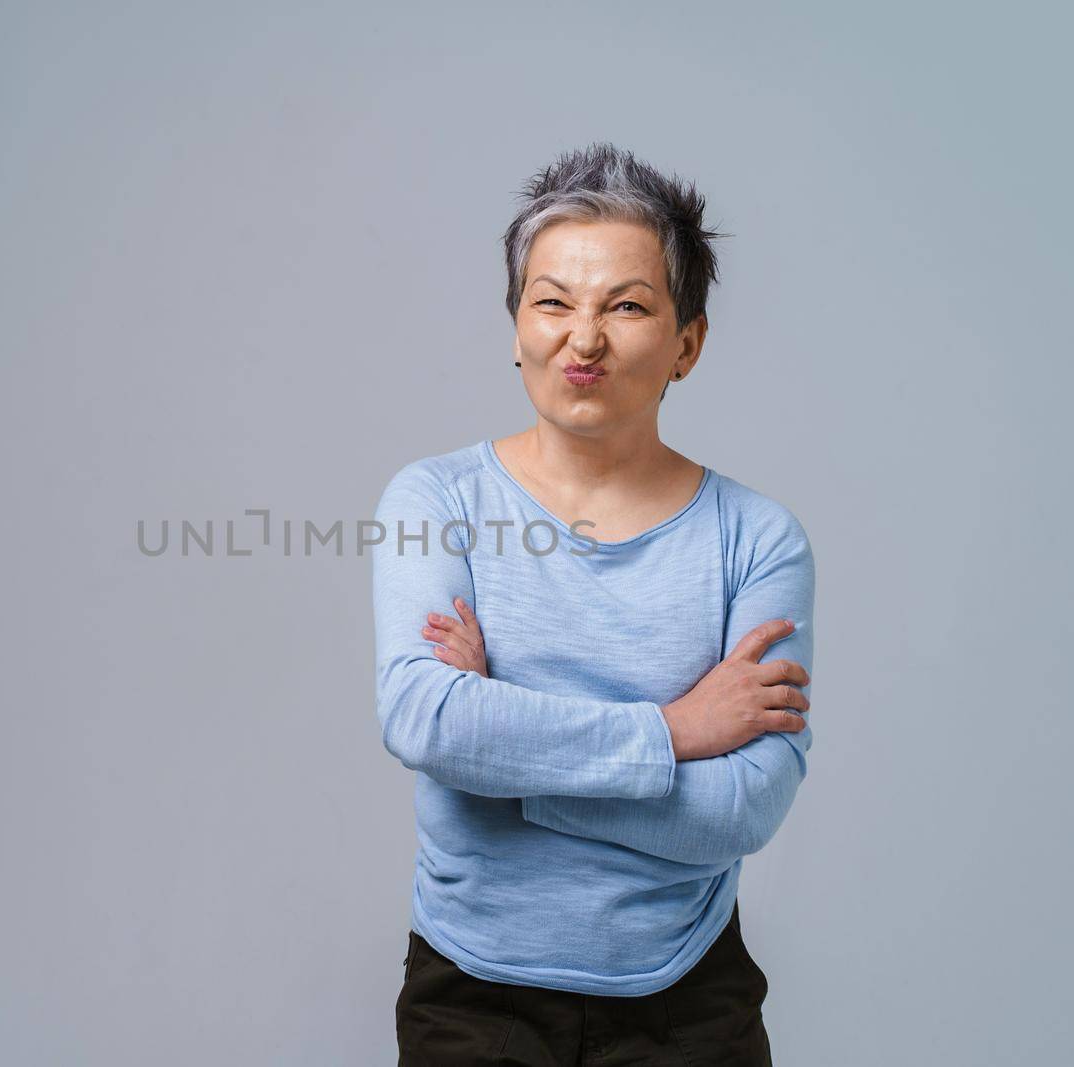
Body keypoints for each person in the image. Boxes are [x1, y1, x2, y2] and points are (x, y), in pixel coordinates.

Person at [371, 143, 814, 1065]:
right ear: (514, 324)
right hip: (471, 993)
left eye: (626, 305)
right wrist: (675, 731)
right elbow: (424, 719)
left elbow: (744, 809)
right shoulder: (435, 500)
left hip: (689, 1001)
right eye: (553, 301)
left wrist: (503, 760)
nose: (584, 338)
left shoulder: (758, 538)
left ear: (686, 343)